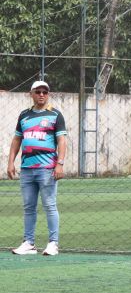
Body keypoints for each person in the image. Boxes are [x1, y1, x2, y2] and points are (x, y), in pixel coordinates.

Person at [8, 81, 67, 256]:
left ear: (48, 94)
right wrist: (10, 162)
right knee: (28, 207)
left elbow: (62, 140)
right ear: (31, 93)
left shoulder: (55, 115)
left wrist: (60, 164)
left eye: (45, 92)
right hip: (27, 169)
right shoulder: (24, 115)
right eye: (38, 91)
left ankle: (53, 243)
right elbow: (17, 140)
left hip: (47, 169)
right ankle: (29, 243)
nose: (41, 94)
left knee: (49, 205)